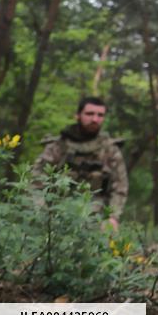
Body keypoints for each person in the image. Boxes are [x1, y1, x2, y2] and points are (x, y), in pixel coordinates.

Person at [33, 96, 128, 231]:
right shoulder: (58, 147)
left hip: (96, 218)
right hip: (57, 216)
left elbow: (120, 188)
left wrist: (112, 217)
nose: (95, 119)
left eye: (100, 115)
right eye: (89, 114)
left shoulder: (110, 150)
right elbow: (36, 182)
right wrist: (42, 213)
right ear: (78, 115)